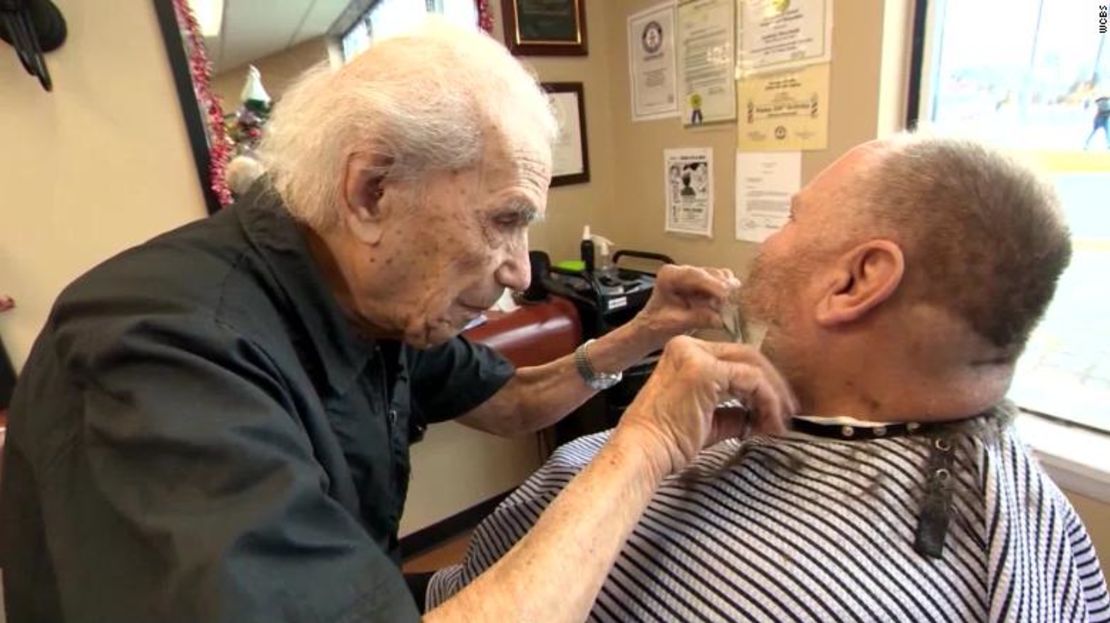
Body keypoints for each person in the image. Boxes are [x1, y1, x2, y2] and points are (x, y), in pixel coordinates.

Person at [0, 20, 797, 623]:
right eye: (505, 220)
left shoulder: (365, 292)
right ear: (372, 190)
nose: (521, 268)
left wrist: (643, 332)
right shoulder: (161, 350)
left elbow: (513, 401)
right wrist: (648, 442)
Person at [427, 135, 1110, 622]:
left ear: (856, 281)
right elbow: (508, 400)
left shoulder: (778, 594)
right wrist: (639, 334)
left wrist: (637, 450)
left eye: (790, 218)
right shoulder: (1038, 518)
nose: (764, 246)